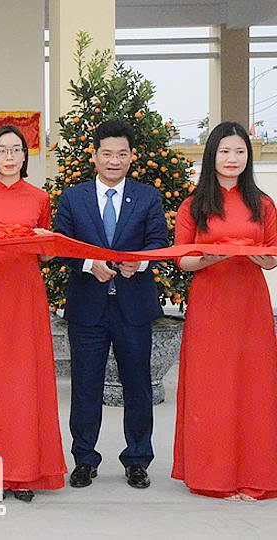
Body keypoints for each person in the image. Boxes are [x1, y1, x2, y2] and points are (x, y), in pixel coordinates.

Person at [54, 119, 167, 490]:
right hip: (88, 309)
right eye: (107, 153)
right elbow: (61, 244)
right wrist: (90, 264)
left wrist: (141, 263)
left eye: (122, 154)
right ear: (94, 155)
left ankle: (137, 459)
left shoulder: (147, 197)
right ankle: (84, 459)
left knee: (138, 386)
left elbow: (158, 241)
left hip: (134, 308)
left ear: (132, 156)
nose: (114, 161)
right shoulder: (74, 198)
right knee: (86, 387)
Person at [172, 121, 277, 501]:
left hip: (251, 304)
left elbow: (272, 255)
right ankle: (213, 476)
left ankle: (255, 474)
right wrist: (209, 257)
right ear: (211, 156)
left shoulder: (263, 204)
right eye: (225, 151)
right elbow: (181, 260)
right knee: (212, 388)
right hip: (210, 304)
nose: (233, 159)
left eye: (240, 151)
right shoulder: (194, 205)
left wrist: (260, 256)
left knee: (254, 387)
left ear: (249, 156)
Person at [0, 126, 65, 502]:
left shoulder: (39, 197)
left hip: (26, 294)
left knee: (26, 380)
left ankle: (25, 470)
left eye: (16, 149)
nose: (9, 156)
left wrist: (44, 240)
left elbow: (47, 255)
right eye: (2, 149)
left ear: (25, 155)